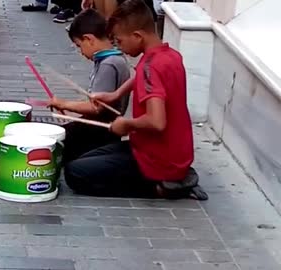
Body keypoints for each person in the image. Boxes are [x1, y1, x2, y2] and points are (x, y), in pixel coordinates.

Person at [64, 0, 207, 200]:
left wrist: (126, 124)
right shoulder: (169, 55)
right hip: (162, 150)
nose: (119, 47)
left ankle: (165, 187)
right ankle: (176, 176)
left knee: (74, 173)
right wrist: (116, 94)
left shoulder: (151, 67)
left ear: (137, 36)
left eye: (120, 41)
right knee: (83, 159)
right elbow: (141, 75)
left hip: (157, 160)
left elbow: (157, 122)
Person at [48, 9, 130, 164]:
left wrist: (64, 104)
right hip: (100, 129)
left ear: (89, 39)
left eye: (79, 46)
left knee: (52, 145)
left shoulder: (109, 64)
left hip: (100, 132)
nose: (80, 52)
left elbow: (96, 108)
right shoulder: (113, 59)